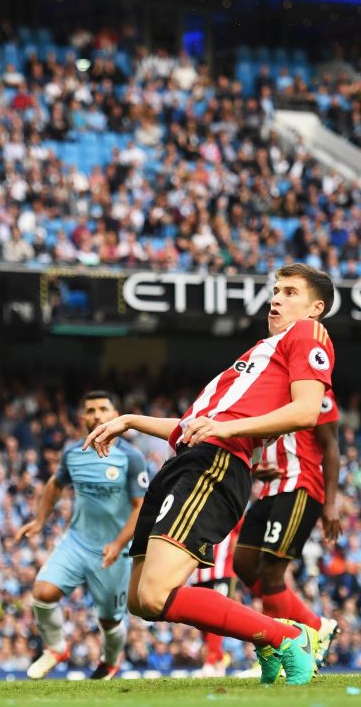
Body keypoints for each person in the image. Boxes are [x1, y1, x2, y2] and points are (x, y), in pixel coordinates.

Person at [84, 263, 336, 686]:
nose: (276, 298)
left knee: (155, 593)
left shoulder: (309, 334)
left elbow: (308, 410)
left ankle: (287, 636)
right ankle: (269, 635)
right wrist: (128, 419)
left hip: (216, 464)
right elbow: (188, 428)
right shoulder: (258, 354)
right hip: (185, 462)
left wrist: (228, 429)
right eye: (276, 290)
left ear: (316, 308)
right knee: (140, 602)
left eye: (290, 292)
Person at [15, 391, 147, 681]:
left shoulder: (131, 457)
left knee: (109, 620)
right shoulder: (73, 453)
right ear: (82, 418)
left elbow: (140, 508)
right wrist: (39, 521)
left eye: (103, 408)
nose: (97, 415)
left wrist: (118, 543)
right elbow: (54, 483)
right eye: (90, 410)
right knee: (42, 593)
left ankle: (109, 663)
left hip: (114, 551)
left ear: (115, 415)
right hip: (77, 541)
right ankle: (56, 648)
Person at [233, 388, 342, 666]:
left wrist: (330, 504)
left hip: (301, 486)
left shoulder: (317, 392)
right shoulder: (264, 387)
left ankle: (282, 653)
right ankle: (315, 626)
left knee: (272, 574)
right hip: (270, 489)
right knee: (243, 566)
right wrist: (255, 470)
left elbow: (330, 445)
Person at [190, 523, 241, 676]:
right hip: (198, 572)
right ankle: (218, 659)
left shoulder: (231, 505)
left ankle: (210, 663)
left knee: (216, 616)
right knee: (201, 620)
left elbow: (242, 533)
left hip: (223, 571)